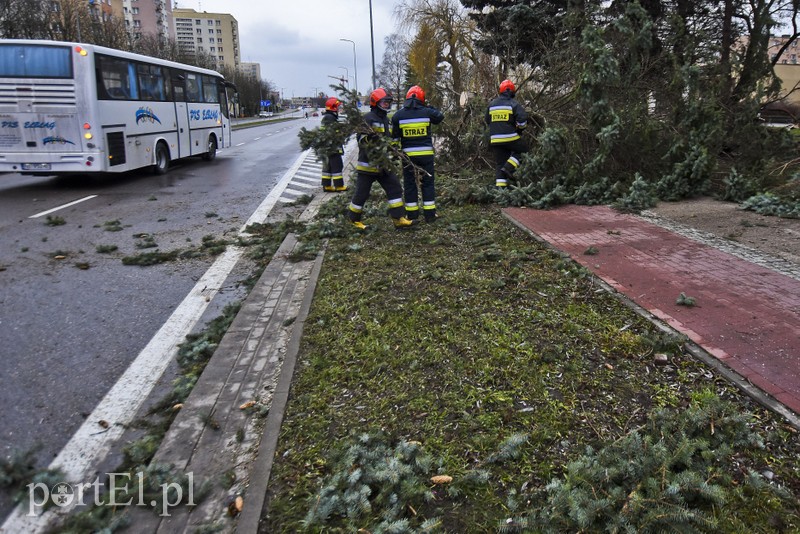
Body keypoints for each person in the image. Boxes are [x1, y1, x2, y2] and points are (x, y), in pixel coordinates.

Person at [348, 88, 416, 230]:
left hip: (384, 165)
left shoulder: (386, 120)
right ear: (375, 102)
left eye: (388, 103)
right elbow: (360, 139)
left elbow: (389, 140)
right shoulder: (368, 118)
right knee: (361, 194)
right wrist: (369, 138)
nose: (387, 105)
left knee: (395, 189)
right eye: (385, 102)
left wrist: (395, 150)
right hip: (368, 165)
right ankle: (353, 221)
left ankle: (398, 219)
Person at [391, 85, 445, 222]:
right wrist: (430, 107)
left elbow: (395, 139)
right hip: (426, 155)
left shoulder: (398, 115)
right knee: (427, 183)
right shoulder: (427, 112)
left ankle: (412, 215)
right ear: (422, 99)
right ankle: (430, 215)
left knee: (410, 184)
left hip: (408, 157)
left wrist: (395, 155)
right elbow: (440, 117)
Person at [486, 79, 528, 188]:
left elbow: (487, 120)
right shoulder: (513, 104)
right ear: (512, 92)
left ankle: (501, 191)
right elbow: (522, 120)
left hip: (495, 139)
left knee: (500, 163)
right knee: (524, 151)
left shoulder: (491, 104)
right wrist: (519, 130)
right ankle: (509, 167)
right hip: (510, 137)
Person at [320, 97, 347, 192]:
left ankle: (326, 186)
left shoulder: (327, 117)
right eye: (338, 107)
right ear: (333, 108)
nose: (339, 109)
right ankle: (339, 186)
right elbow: (334, 132)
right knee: (337, 166)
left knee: (328, 167)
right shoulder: (330, 118)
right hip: (332, 147)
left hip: (327, 147)